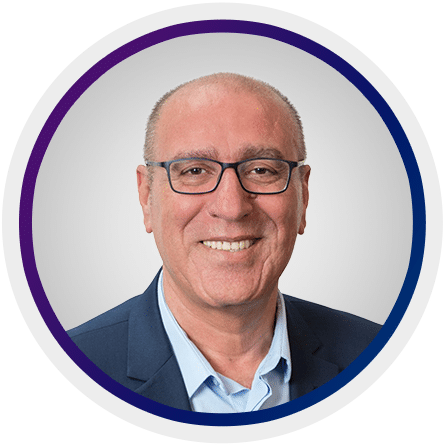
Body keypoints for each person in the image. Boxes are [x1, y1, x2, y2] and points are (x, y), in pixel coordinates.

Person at [68, 73, 381, 413]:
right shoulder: (67, 371)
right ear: (146, 197)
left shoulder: (380, 357)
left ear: (302, 196)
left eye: (262, 170)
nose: (232, 208)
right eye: (194, 171)